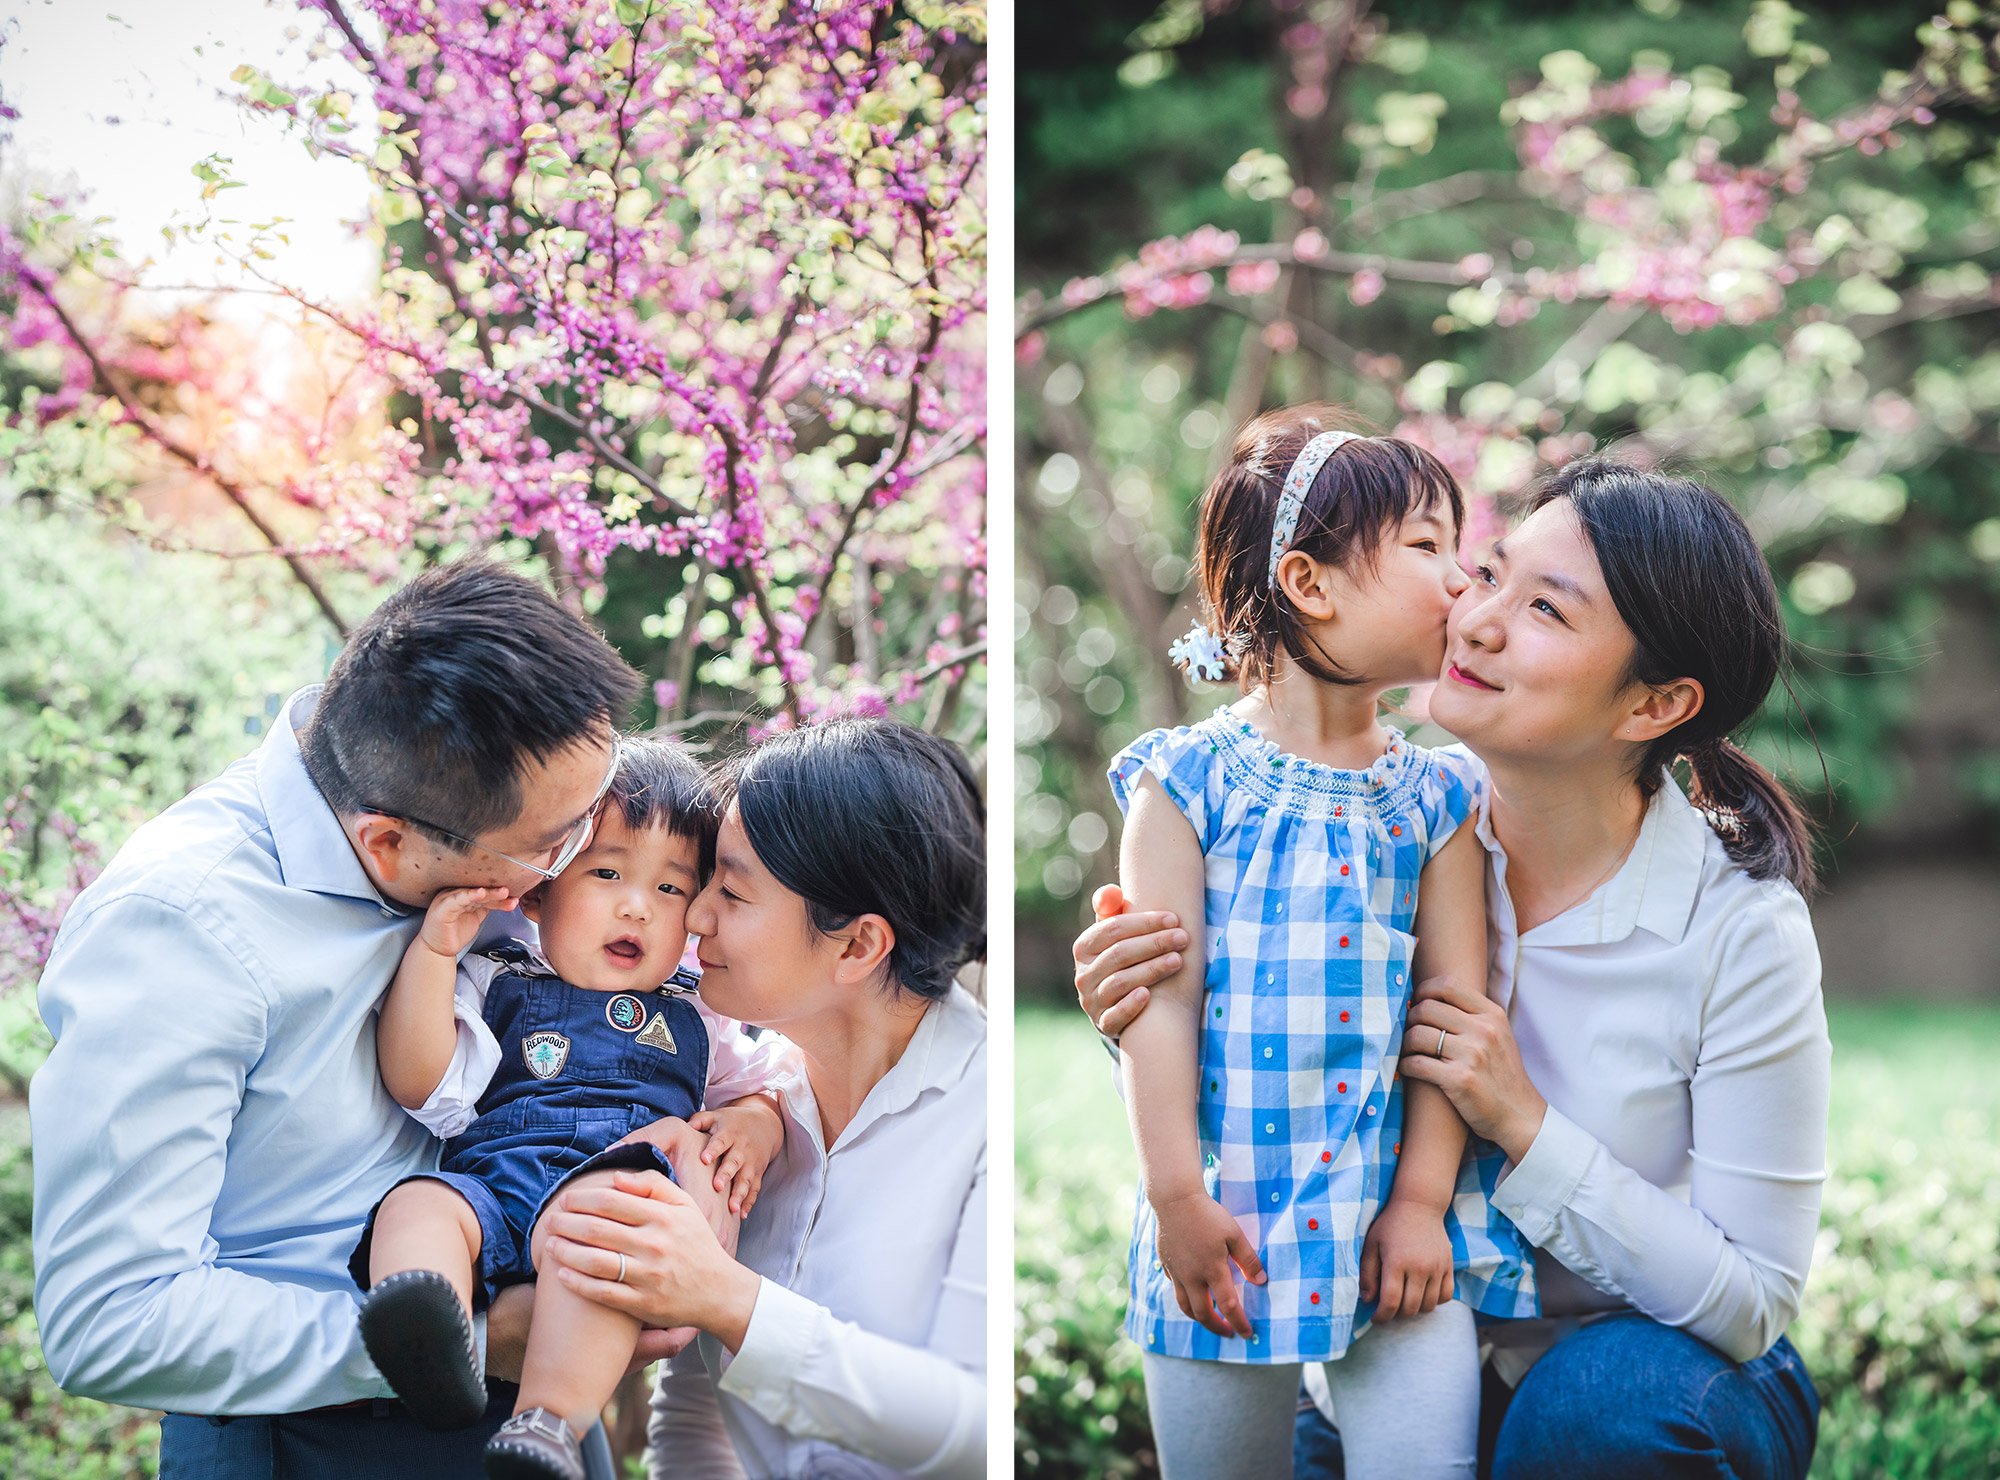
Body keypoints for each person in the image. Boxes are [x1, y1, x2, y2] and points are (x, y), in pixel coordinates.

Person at [1074, 457, 1831, 1480]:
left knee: (1593, 1416)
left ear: (1652, 705)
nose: (1472, 617)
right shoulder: (1380, 814)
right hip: (1401, 1325)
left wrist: (1518, 1120)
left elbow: (1750, 1304)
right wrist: (1132, 997)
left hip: (1643, 1364)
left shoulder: (1737, 929)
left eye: (1546, 613)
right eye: (1487, 572)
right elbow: (1264, 1030)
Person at [29, 561, 720, 1477]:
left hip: (541, 1393)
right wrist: (468, 1342)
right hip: (316, 1436)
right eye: (556, 847)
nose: (578, 870)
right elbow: (109, 1320)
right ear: (385, 843)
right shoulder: (180, 928)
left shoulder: (473, 813)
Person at [1103, 406, 1535, 1480]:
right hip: (1223, 1219)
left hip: (1391, 1226)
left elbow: (1450, 1010)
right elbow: (1157, 1001)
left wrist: (1420, 1204)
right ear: (1308, 582)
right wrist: (1173, 1198)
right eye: (1427, 549)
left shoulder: (1435, 798)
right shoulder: (1184, 786)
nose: (1459, 583)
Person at [534, 718, 988, 1480]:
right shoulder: (742, 1101)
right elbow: (697, 1414)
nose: (695, 915)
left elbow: (975, 1431)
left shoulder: (981, 1114)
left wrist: (725, 1298)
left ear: (857, 946)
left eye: (732, 891)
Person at [350, 738, 787, 1480]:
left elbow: (772, 1080)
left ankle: (545, 1421)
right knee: (417, 1205)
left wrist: (758, 1120)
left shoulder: (700, 1010)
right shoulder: (497, 974)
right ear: (539, 888)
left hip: (608, 1201)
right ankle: (428, 1329)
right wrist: (432, 955)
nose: (636, 906)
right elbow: (419, 1080)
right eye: (608, 872)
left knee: (606, 1240)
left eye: (671, 889)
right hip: (490, 1183)